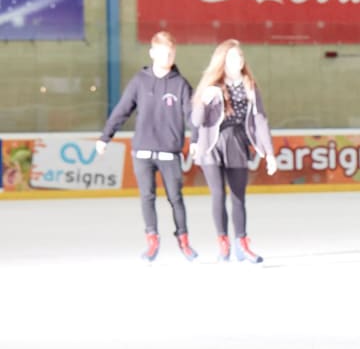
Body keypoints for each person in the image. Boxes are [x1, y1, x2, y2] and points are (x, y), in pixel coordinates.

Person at [97, 31, 199, 262]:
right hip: (142, 151)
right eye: (164, 53)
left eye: (172, 53)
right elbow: (121, 110)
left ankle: (184, 240)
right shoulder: (139, 81)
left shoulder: (181, 84)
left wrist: (196, 140)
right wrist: (105, 137)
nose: (168, 57)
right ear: (153, 52)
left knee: (175, 197)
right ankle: (152, 240)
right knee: (147, 196)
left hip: (169, 152)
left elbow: (192, 115)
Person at [191, 39, 277, 263]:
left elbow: (260, 120)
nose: (237, 60)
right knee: (218, 194)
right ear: (222, 60)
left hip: (237, 143)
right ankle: (223, 243)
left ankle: (242, 243)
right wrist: (204, 101)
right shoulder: (213, 84)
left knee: (238, 197)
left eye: (240, 56)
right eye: (232, 57)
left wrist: (269, 153)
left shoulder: (249, 85)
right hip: (212, 144)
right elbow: (196, 120)